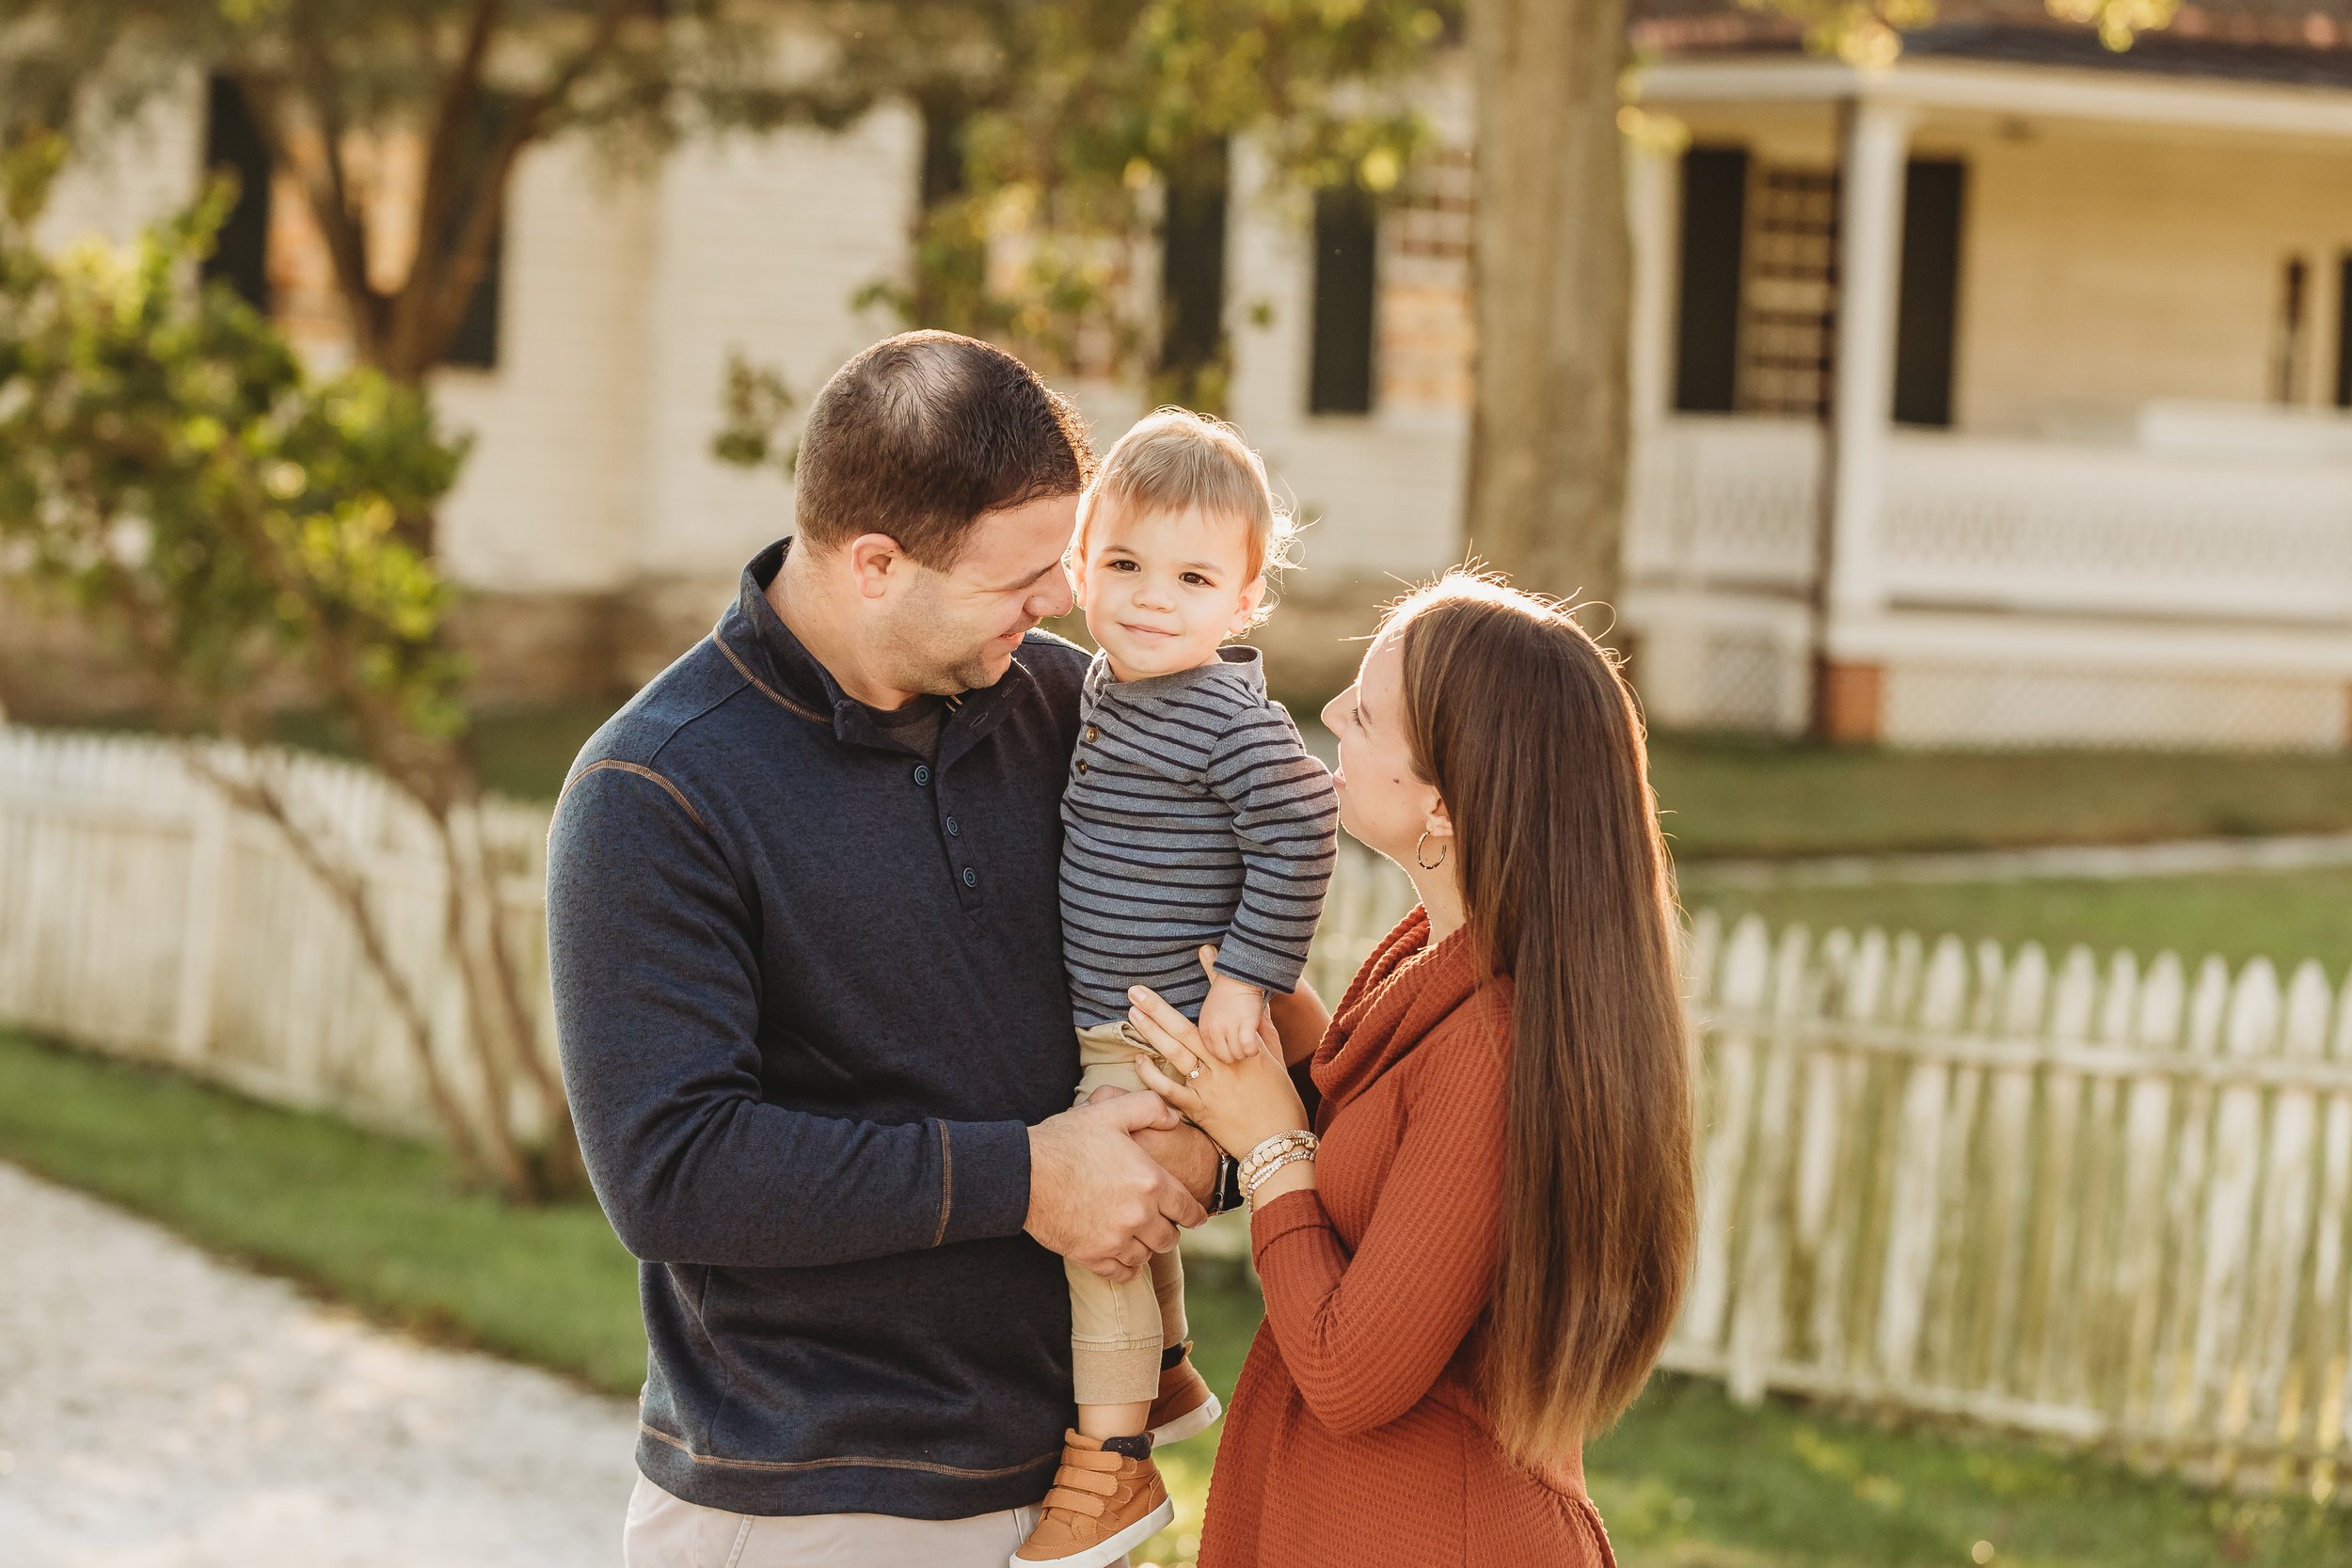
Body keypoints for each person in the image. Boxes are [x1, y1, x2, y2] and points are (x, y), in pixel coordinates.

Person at [547, 331, 1247, 1568]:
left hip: (1081, 1494)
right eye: (1022, 575)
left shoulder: (1076, 715)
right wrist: (1029, 1176)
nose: (1062, 602)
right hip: (812, 1503)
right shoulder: (656, 786)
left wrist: (1205, 1141)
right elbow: (673, 1169)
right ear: (874, 563)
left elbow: (1191, 982)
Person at [1125, 571, 1699, 1568]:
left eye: (1368, 712)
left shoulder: (1496, 1045)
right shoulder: (1436, 968)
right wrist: (1235, 966)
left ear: (1442, 799)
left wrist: (1270, 1150)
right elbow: (1358, 1107)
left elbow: (1350, 1372)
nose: (1332, 712)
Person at [1014, 411, 1339, 1568]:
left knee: (1096, 1235)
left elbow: (1305, 822)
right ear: (1080, 566)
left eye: (1193, 577)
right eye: (1125, 565)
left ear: (1245, 602)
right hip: (1120, 1016)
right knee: (1133, 1208)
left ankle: (1113, 1471)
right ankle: (1160, 1375)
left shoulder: (1216, 712)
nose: (1152, 598)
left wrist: (1251, 975)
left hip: (1159, 1029)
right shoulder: (1111, 677)